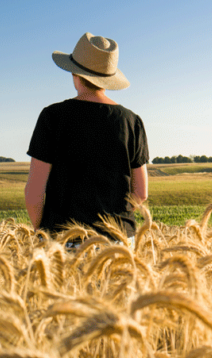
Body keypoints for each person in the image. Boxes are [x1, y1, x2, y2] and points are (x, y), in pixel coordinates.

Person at [25, 32, 149, 243]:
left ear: (75, 74)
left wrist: (42, 234)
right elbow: (141, 192)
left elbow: (34, 191)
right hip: (118, 243)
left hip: (63, 241)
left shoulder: (52, 117)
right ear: (108, 79)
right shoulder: (132, 121)